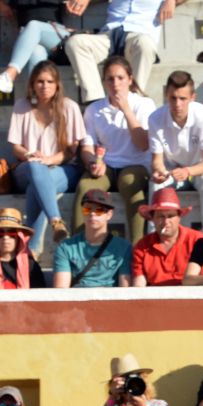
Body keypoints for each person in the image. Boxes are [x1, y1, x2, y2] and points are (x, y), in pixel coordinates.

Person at [73, 55, 155, 243]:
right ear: (104, 82)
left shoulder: (144, 104)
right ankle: (78, 246)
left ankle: (137, 246)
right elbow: (86, 147)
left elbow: (143, 143)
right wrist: (92, 162)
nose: (115, 84)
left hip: (137, 164)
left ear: (130, 79)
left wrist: (126, 110)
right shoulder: (94, 109)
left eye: (120, 78)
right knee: (85, 186)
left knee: (129, 182)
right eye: (110, 79)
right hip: (107, 165)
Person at [8, 60, 84, 256]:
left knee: (38, 185)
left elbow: (72, 151)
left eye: (50, 82)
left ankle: (31, 250)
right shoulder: (21, 106)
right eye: (40, 81)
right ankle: (55, 221)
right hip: (27, 167)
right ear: (32, 84)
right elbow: (15, 147)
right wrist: (29, 155)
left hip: (63, 169)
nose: (44, 86)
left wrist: (49, 160)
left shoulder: (69, 107)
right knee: (36, 169)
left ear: (57, 84)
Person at [63, 0, 179, 103]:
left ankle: (134, 101)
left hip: (139, 34)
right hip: (110, 33)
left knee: (145, 44)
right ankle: (96, 102)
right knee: (75, 43)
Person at [148, 70, 203, 229]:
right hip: (171, 172)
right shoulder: (155, 118)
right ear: (166, 95)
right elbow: (157, 161)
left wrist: (187, 171)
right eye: (173, 98)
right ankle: (154, 234)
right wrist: (159, 172)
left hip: (198, 171)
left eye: (182, 98)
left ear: (193, 97)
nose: (177, 104)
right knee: (155, 184)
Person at [53, 187, 132, 287]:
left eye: (99, 210)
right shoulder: (65, 247)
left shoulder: (124, 248)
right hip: (77, 296)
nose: (92, 214)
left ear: (109, 214)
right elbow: (61, 291)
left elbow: (125, 291)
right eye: (87, 209)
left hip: (110, 297)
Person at [131, 187, 203, 286]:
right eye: (160, 216)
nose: (166, 222)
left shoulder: (196, 239)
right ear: (152, 219)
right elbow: (139, 284)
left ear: (179, 217)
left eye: (170, 216)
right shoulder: (142, 246)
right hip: (155, 295)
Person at [0, 0, 74, 96]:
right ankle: (35, 99)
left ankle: (10, 73)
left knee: (33, 25)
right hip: (30, 40)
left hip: (57, 38)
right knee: (36, 51)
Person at [92, 353, 169, 406]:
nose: (131, 383)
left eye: (135, 379)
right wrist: (112, 397)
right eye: (124, 380)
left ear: (143, 380)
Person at [0, 206, 46, 288]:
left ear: (20, 237)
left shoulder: (31, 265)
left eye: (11, 232)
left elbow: (40, 293)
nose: (5, 237)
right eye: (0, 233)